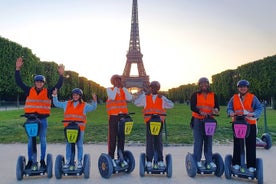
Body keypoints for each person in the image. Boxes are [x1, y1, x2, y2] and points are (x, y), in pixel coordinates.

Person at [15, 56, 65, 170]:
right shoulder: (29, 90)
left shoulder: (47, 92)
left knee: (42, 139)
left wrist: (61, 75)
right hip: (31, 119)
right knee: (30, 141)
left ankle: (42, 160)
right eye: (37, 81)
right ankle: (30, 160)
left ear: (43, 83)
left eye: (41, 82)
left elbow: (58, 86)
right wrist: (17, 69)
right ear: (35, 82)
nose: (39, 83)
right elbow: (19, 82)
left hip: (42, 119)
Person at [52, 88, 97, 169]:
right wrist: (55, 95)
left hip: (80, 128)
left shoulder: (84, 105)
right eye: (74, 95)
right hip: (69, 128)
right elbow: (56, 104)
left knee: (79, 144)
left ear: (80, 96)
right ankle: (68, 160)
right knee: (68, 144)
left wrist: (94, 100)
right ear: (72, 96)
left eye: (77, 95)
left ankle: (79, 161)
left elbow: (93, 107)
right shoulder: (67, 103)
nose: (75, 96)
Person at [134, 81, 174, 169]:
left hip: (159, 122)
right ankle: (149, 160)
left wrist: (164, 97)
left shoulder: (161, 98)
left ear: (158, 89)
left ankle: (160, 160)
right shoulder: (145, 97)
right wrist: (144, 95)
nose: (153, 89)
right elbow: (136, 103)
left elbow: (171, 105)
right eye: (152, 87)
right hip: (149, 121)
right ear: (149, 88)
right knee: (150, 141)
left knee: (158, 141)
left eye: (155, 87)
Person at [227, 79, 263, 173]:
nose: (243, 88)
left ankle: (251, 165)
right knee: (237, 144)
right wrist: (231, 113)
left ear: (247, 88)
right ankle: (236, 164)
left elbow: (259, 108)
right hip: (237, 124)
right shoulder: (234, 98)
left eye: (244, 86)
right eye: (241, 87)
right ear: (238, 88)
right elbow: (229, 108)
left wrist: (253, 114)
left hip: (250, 124)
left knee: (250, 145)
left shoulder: (252, 97)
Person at [190, 77, 219, 169]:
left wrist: (216, 110)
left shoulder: (213, 95)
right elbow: (192, 107)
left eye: (205, 83)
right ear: (199, 85)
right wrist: (200, 112)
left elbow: (217, 106)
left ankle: (209, 161)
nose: (204, 85)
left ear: (208, 84)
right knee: (198, 141)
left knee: (208, 140)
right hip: (198, 119)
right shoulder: (195, 95)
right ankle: (197, 160)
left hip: (209, 120)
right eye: (201, 84)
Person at [106, 74, 133, 167]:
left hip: (122, 117)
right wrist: (117, 88)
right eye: (116, 80)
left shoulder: (123, 90)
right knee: (112, 138)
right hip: (113, 117)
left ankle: (121, 157)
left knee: (121, 138)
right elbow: (112, 97)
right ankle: (111, 158)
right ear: (113, 82)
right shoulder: (109, 90)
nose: (118, 82)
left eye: (119, 80)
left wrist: (124, 88)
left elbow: (130, 98)